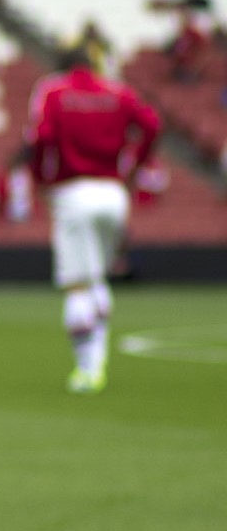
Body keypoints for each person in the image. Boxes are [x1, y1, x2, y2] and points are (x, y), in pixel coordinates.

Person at [28, 49, 161, 394]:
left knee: (77, 283)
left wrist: (40, 178)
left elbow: (40, 138)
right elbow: (151, 125)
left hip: (73, 191)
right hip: (113, 192)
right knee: (98, 277)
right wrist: (135, 167)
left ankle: (86, 369)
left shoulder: (53, 91)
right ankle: (98, 357)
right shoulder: (117, 91)